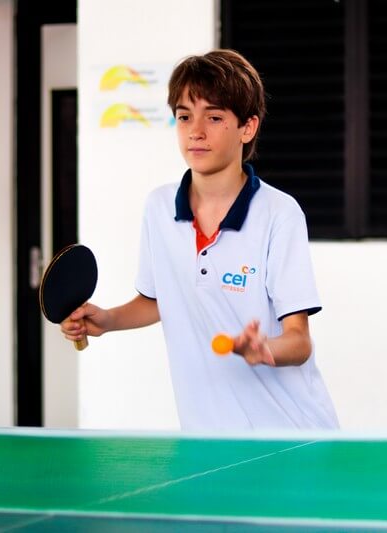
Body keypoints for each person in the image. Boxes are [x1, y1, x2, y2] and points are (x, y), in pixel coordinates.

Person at [61, 49, 339, 431]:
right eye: (184, 116)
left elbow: (299, 341)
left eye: (214, 117)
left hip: (291, 434)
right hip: (208, 437)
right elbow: (159, 300)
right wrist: (107, 320)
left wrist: (264, 349)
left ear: (247, 127)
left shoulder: (279, 213)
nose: (196, 131)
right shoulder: (159, 208)